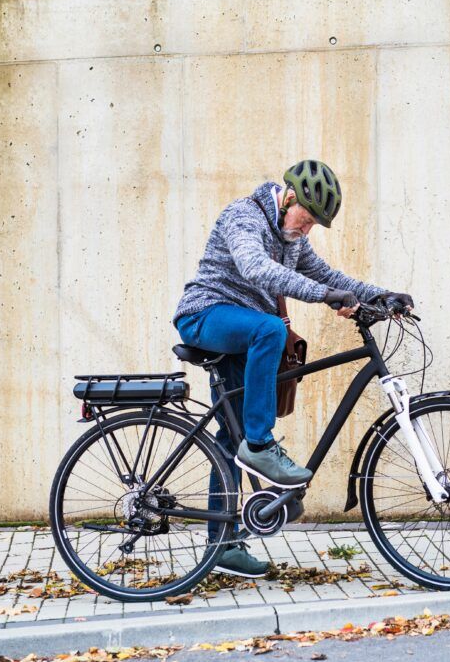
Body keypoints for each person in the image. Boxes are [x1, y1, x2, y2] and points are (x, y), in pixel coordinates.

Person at [172, 159, 413, 577]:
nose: (308, 229)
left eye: (316, 224)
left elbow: (324, 273)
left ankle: (223, 546)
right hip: (205, 316)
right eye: (307, 218)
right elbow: (255, 268)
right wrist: (325, 296)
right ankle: (262, 447)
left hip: (241, 333)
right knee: (269, 330)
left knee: (230, 438)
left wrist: (382, 294)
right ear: (287, 198)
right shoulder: (242, 216)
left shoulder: (292, 237)